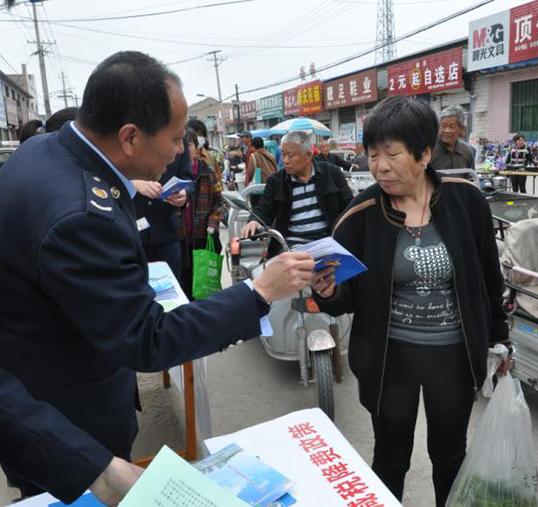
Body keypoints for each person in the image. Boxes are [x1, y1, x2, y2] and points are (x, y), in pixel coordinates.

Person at [0, 51, 316, 499]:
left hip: (44, 389)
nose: (178, 152)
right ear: (130, 137)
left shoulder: (44, 151)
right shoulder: (80, 214)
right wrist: (258, 292)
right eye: (173, 139)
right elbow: (148, 339)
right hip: (67, 423)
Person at [310, 96, 511, 506]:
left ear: (423, 154)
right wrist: (328, 290)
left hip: (453, 357)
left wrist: (499, 338)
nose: (379, 166)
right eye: (372, 154)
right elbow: (343, 296)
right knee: (389, 458)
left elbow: (488, 278)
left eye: (392, 154)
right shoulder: (361, 214)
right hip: (390, 359)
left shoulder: (465, 201)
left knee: (450, 456)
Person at [0, 366, 143, 505]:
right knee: (47, 488)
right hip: (35, 412)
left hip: (108, 390)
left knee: (119, 475)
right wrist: (98, 472)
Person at [240, 130, 353, 256]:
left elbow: (349, 208)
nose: (285, 161)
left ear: (309, 154)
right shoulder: (276, 181)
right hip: (293, 248)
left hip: (328, 244)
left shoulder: (332, 173)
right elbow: (263, 208)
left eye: (290, 155)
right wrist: (254, 221)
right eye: (283, 155)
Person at [132, 137, 192, 279]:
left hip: (166, 230)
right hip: (132, 233)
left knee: (171, 291)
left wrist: (185, 194)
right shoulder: (130, 138)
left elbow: (188, 179)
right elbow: (108, 175)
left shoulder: (177, 139)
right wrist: (133, 184)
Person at [180, 128, 224, 298]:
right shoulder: (172, 173)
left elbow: (219, 201)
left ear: (197, 146)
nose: (185, 148)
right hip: (180, 240)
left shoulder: (208, 172)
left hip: (204, 237)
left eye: (189, 143)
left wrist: (213, 222)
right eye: (182, 144)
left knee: (204, 287)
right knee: (184, 286)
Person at [428, 105, 476, 170]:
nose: (447, 131)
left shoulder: (467, 152)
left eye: (452, 126)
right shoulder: (429, 150)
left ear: (461, 129)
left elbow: (471, 177)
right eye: (443, 126)